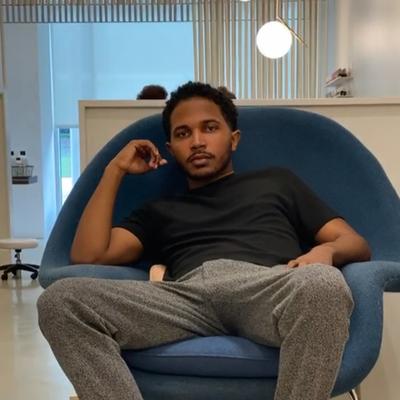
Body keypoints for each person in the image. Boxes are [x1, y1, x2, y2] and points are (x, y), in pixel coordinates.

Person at [37, 81, 371, 400]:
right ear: (171, 149)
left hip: (267, 288)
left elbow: (354, 243)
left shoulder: (277, 182)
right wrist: (115, 169)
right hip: (187, 298)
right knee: (60, 301)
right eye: (183, 133)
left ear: (234, 139)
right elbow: (89, 255)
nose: (197, 141)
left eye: (209, 128)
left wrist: (326, 251)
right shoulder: (160, 209)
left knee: (324, 284)